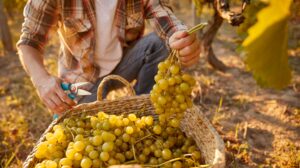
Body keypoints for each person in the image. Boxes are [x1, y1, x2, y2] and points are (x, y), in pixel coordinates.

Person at [17, 0, 201, 115]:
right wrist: (42, 80)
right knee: (85, 135)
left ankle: (146, 111)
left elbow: (163, 15)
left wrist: (181, 38)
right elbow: (29, 41)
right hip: (81, 81)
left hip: (124, 64)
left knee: (161, 43)